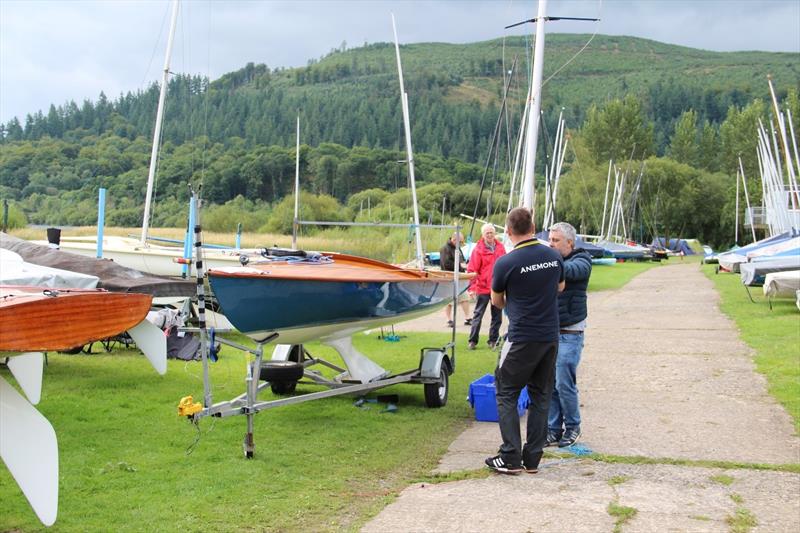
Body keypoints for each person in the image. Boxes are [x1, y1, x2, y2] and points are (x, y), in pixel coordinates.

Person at [484, 207, 564, 475]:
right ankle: (533, 458)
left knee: (506, 391)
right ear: (534, 227)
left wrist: (517, 297)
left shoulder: (506, 262)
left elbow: (496, 301)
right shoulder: (553, 256)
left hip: (521, 337)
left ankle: (510, 456)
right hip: (550, 336)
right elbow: (560, 287)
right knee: (541, 396)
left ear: (507, 232)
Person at [546, 222, 592, 448]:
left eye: (555, 241)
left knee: (564, 382)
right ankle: (554, 429)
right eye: (550, 240)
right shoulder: (553, 261)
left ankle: (573, 427)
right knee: (551, 383)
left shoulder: (582, 259)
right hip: (550, 331)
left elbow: (574, 271)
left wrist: (546, 263)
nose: (550, 244)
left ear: (570, 243)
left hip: (571, 332)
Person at [466, 223, 506, 350]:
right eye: (487, 233)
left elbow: (506, 266)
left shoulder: (501, 248)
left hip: (497, 287)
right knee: (478, 315)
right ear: (483, 235)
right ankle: (472, 341)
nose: (489, 235)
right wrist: (471, 288)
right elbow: (472, 269)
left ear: (495, 234)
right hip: (482, 287)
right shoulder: (478, 249)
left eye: (491, 232)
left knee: (497, 316)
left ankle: (493, 340)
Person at [439, 232, 471, 327]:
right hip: (449, 277)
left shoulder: (457, 248)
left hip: (459, 276)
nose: (461, 244)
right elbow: (446, 264)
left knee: (465, 298)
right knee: (449, 301)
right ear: (454, 240)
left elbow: (462, 260)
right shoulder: (445, 249)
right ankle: (449, 320)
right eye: (460, 242)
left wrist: (465, 264)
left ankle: (467, 318)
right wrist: (461, 266)